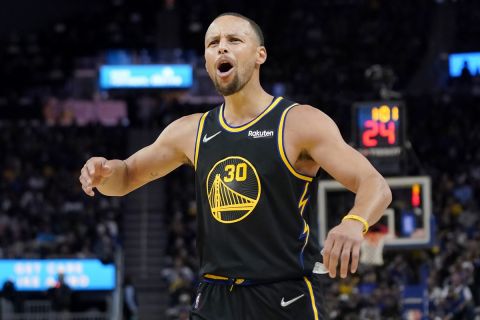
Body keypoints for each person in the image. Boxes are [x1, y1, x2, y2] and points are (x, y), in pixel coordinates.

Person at [79, 12, 392, 319]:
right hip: (214, 298)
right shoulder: (190, 131)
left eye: (233, 39)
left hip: (284, 295)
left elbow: (374, 184)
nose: (222, 47)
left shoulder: (299, 122)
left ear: (260, 55)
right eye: (213, 42)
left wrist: (354, 222)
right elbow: (126, 177)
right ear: (206, 60)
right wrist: (105, 171)